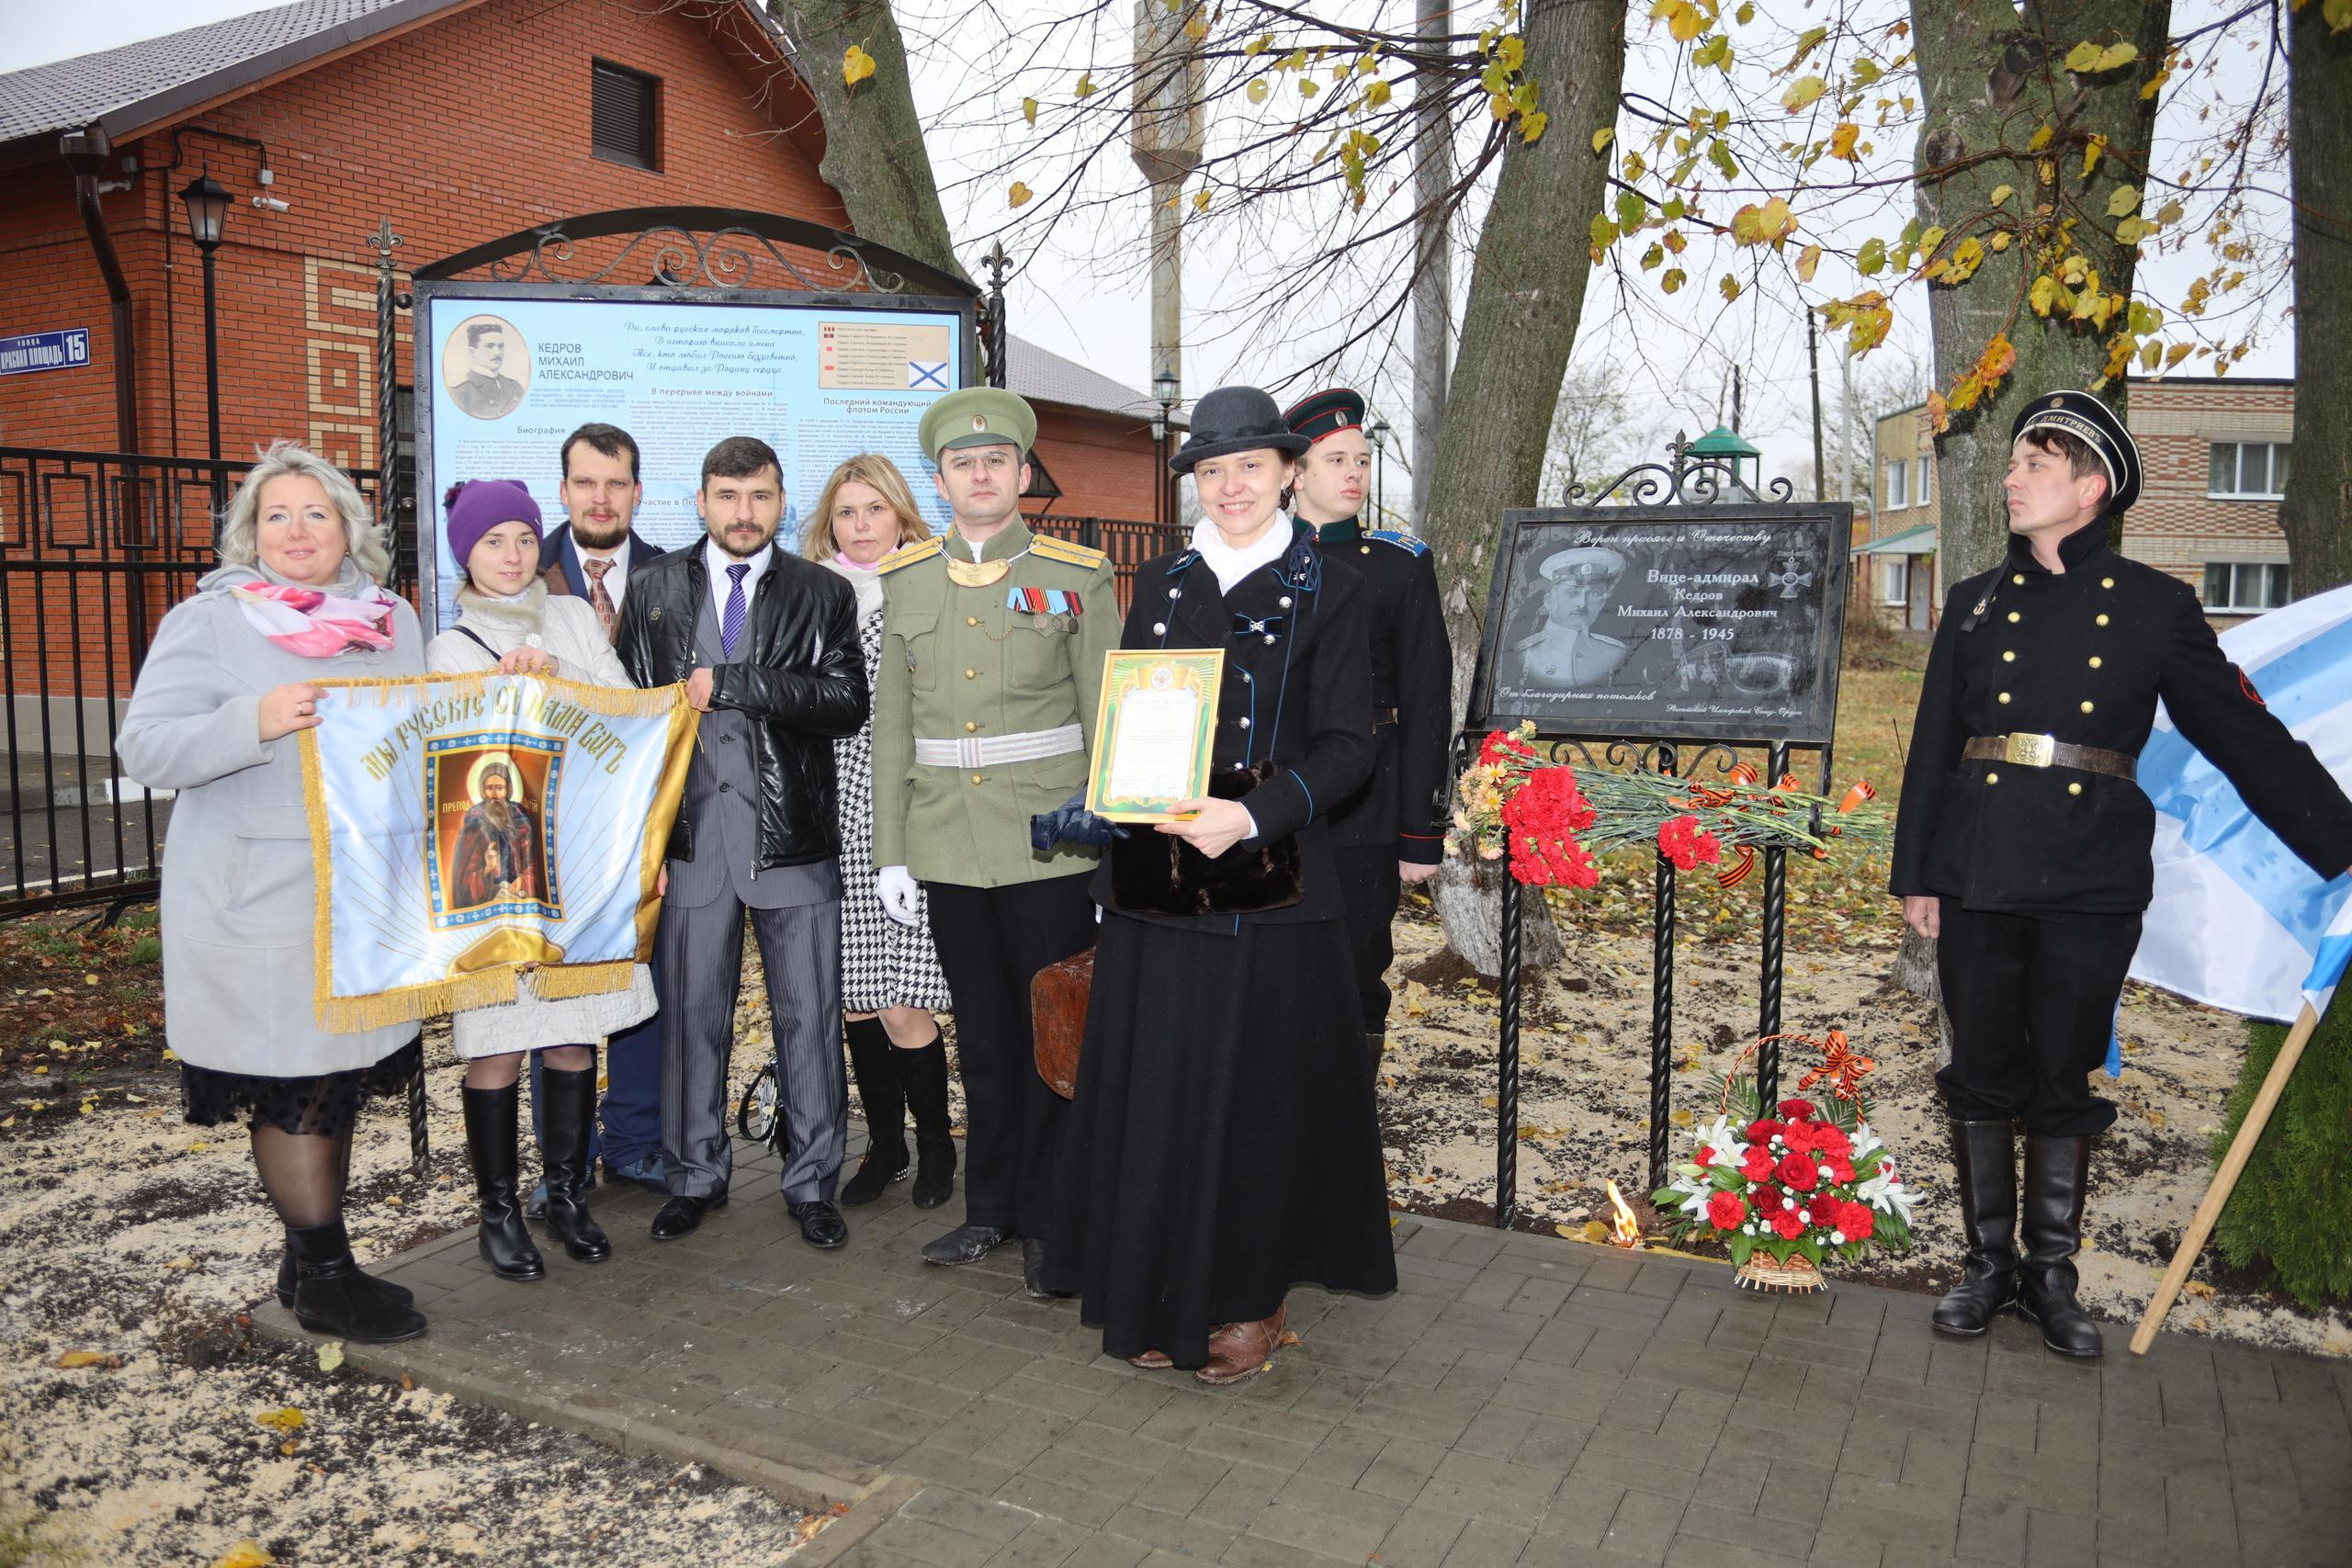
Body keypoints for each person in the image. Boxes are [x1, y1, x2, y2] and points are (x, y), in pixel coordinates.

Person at [1893, 389, 2352, 1359]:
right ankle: (1985, 1268)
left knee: (2061, 1073)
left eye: (2034, 466)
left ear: (2090, 487)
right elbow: (1933, 744)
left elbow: (2245, 737)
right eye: (2016, 464)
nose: (2011, 481)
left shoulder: (2154, 608)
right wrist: (1916, 873)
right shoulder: (1974, 603)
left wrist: (2342, 844)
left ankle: (2051, 1279)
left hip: (2089, 873)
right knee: (1978, 1071)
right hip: (1975, 865)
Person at [1045, 385, 1396, 1382]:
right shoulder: (1159, 582)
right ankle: (1159, 1291)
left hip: (1272, 882)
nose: (1229, 486)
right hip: (1161, 877)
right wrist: (1115, 802)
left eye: (1248, 466)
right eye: (1210, 470)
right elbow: (1130, 718)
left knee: (1254, 1098)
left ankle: (1249, 1298)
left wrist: (1251, 813)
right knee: (1160, 1087)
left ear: (1289, 473)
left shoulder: (1337, 588)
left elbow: (1347, 751)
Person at [119, 439, 427, 1343]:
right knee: (294, 1084)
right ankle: (327, 1274)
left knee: (336, 1078)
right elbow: (144, 748)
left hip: (365, 897)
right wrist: (253, 719)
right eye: (276, 516)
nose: (297, 531)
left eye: (316, 514)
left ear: (349, 532)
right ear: (250, 535)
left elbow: (426, 728)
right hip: (258, 900)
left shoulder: (391, 622)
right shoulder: (211, 624)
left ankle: (304, 1259)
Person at [869, 388, 1119, 1293]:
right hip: (945, 845)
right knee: (980, 1035)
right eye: (962, 464)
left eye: (996, 463)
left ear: (1020, 475)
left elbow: (1107, 720)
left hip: (1047, 844)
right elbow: (892, 727)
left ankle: (1054, 1218)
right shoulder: (907, 581)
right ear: (941, 482)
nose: (980, 475)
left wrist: (1105, 842)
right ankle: (992, 1209)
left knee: (1052, 1033)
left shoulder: (1078, 573)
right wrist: (891, 851)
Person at [614, 436, 866, 1249]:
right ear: (700, 502)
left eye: (759, 496)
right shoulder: (650, 589)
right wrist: (636, 850)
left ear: (781, 501)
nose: (744, 512)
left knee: (810, 1017)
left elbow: (844, 703)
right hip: (691, 846)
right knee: (692, 1017)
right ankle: (694, 1175)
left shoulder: (820, 591)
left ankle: (812, 1179)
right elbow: (622, 720)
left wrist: (741, 684)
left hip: (791, 841)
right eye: (728, 495)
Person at [427, 479, 658, 1280]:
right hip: (491, 879)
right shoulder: (450, 644)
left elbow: (624, 706)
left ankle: (564, 1192)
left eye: (524, 538)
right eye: (493, 541)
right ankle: (498, 1210)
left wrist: (557, 677)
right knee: (492, 1044)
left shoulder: (568, 616)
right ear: (466, 551)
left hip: (573, 862)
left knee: (569, 1030)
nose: (513, 554)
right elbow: (455, 755)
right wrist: (508, 693)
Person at [800, 455, 957, 1209]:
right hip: (821, 810)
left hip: (899, 807)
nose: (861, 527)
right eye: (846, 513)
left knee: (903, 1000)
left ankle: (936, 1147)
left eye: (875, 510)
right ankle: (885, 1146)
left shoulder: (927, 587)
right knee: (855, 998)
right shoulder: (808, 595)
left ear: (902, 515)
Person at [1281, 389, 1451, 1075]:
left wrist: (1420, 833)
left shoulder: (1399, 564)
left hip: (1366, 807)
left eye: (1362, 459)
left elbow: (1426, 701)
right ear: (1294, 472)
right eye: (1335, 460)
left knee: (1357, 970)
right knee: (1275, 972)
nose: (1354, 473)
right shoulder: (1252, 561)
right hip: (1269, 803)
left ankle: (1350, 1119)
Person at [532, 422, 670, 1204]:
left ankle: (638, 1142)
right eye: (586, 482)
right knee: (549, 999)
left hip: (641, 823)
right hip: (547, 829)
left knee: (641, 980)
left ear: (637, 492)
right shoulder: (519, 569)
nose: (601, 497)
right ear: (564, 489)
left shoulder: (668, 573)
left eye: (616, 483)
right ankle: (565, 1163)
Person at [1511, 546, 1632, 686]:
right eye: (1573, 593)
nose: (1582, 603)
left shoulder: (1616, 653)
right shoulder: (1524, 655)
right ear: (1549, 601)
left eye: (1594, 594)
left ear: (1602, 603)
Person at [447, 758, 540, 910]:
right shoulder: (473, 823)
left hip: (517, 895)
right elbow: (463, 879)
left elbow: (531, 863)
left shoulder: (521, 819)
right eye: (489, 788)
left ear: (508, 789)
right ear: (482, 790)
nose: (495, 794)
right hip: (487, 898)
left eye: (500, 787)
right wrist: (487, 869)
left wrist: (522, 881)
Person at [449, 321, 525, 419]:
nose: (497, 352)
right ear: (472, 352)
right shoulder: (460, 391)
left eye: (500, 346)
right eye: (489, 346)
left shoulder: (516, 387)